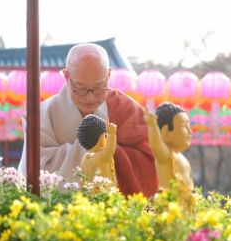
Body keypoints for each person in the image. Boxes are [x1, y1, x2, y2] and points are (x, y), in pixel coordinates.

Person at [18, 43, 158, 196]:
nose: (90, 98)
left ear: (108, 75)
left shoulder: (122, 107)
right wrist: (97, 149)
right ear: (66, 76)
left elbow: (152, 158)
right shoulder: (41, 116)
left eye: (99, 87)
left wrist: (112, 153)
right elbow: (32, 175)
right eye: (81, 88)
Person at [144, 102, 195, 211]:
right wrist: (152, 126)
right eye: (184, 126)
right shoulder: (166, 156)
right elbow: (156, 145)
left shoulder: (183, 159)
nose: (190, 131)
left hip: (186, 210)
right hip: (170, 211)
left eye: (188, 126)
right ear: (166, 132)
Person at [77, 115, 118, 186]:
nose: (106, 138)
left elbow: (83, 180)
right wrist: (112, 134)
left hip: (90, 191)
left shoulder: (85, 158)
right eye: (105, 136)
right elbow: (110, 150)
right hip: (104, 191)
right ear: (101, 139)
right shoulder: (100, 157)